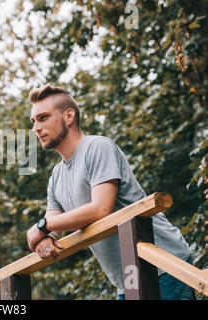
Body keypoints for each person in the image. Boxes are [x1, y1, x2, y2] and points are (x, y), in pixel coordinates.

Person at [25, 84, 195, 300]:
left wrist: (42, 227)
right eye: (33, 122)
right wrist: (44, 238)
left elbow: (100, 208)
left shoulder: (97, 148)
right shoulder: (56, 176)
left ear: (69, 116)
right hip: (128, 282)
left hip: (163, 265)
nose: (36, 128)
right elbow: (54, 224)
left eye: (43, 118)